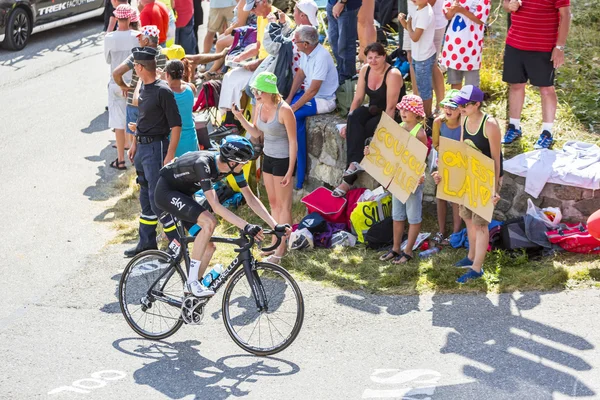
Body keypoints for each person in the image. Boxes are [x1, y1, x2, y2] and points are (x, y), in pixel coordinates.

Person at [155, 136, 290, 297]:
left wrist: (275, 225)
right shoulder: (203, 164)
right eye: (244, 162)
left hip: (185, 196)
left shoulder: (232, 168)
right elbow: (216, 206)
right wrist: (246, 226)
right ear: (233, 162)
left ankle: (190, 295)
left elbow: (251, 198)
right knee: (209, 222)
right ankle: (192, 283)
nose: (246, 165)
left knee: (209, 247)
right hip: (166, 193)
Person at [432, 85, 502, 283]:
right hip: (469, 178)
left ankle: (477, 268)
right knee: (468, 220)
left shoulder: (490, 124)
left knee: (481, 225)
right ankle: (470, 257)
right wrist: (445, 174)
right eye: (459, 103)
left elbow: (497, 159)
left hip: (486, 181)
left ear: (477, 104)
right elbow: (462, 152)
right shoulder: (464, 119)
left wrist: (495, 189)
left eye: (465, 104)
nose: (460, 107)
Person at [232, 72, 298, 263]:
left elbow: (294, 142)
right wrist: (239, 117)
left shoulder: (284, 110)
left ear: (270, 90)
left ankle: (281, 250)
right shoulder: (258, 105)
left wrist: (290, 169)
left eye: (259, 91)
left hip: (284, 160)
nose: (255, 94)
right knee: (273, 204)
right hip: (268, 157)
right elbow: (256, 134)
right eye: (254, 90)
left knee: (284, 206)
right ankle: (275, 241)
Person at [124, 46, 183, 258]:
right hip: (143, 148)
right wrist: (134, 144)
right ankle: (146, 243)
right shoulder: (145, 89)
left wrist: (170, 155)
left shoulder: (162, 91)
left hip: (157, 148)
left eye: (135, 66)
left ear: (139, 67)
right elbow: (142, 119)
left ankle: (177, 243)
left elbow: (176, 125)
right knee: (145, 196)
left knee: (158, 198)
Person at [333, 42, 404, 197]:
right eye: (370, 57)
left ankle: (347, 182)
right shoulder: (365, 70)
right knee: (354, 117)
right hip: (373, 109)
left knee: (367, 128)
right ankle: (354, 164)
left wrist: (385, 131)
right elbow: (357, 99)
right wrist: (348, 123)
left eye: (377, 57)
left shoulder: (393, 74)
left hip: (391, 114)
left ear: (384, 56)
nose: (373, 61)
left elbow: (391, 107)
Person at [501, 0, 571, 149]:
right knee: (516, 85)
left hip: (543, 46)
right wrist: (509, 6)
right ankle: (514, 127)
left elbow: (565, 15)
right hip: (515, 43)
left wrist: (559, 47)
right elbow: (505, 3)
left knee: (546, 89)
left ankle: (547, 132)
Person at [374, 95, 428, 264]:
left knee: (413, 216)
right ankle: (396, 248)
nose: (403, 112)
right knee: (397, 215)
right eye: (402, 109)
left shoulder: (419, 133)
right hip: (397, 178)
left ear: (416, 113)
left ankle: (408, 250)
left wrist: (419, 174)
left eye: (407, 110)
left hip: (411, 179)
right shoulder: (398, 127)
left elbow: (422, 158)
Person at [285, 25, 338, 189]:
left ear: (306, 44)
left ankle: (299, 173)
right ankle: (297, 171)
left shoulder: (321, 56)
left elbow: (313, 90)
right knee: (285, 111)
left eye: (296, 41)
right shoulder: (305, 53)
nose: (295, 43)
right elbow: (300, 74)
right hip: (310, 95)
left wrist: (293, 107)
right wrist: (288, 99)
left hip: (323, 99)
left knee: (292, 116)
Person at [113, 26, 169, 154]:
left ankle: (136, 165)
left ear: (146, 40)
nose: (138, 41)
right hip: (154, 103)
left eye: (140, 38)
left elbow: (116, 73)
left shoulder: (138, 55)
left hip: (134, 102)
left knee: (134, 140)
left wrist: (124, 86)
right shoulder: (162, 54)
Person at [104, 4, 139, 170]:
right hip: (134, 85)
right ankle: (135, 159)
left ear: (117, 18)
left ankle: (120, 159)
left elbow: (108, 60)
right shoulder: (137, 36)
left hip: (116, 84)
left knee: (118, 123)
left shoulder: (109, 38)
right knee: (133, 121)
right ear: (130, 18)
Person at [431, 89, 463, 244]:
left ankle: (456, 232)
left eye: (453, 107)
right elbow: (435, 144)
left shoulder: (464, 123)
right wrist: (445, 155)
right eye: (446, 107)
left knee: (456, 199)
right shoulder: (438, 122)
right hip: (443, 162)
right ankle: (441, 230)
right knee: (441, 197)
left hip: (459, 164)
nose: (449, 110)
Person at [441, 0, 490, 90]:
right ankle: (456, 103)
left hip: (472, 47)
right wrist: (453, 9)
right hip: (454, 44)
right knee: (455, 83)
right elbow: (447, 16)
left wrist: (462, 10)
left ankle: (471, 104)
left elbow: (480, 20)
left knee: (471, 86)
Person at [399, 0, 436, 118]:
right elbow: (410, 28)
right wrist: (403, 22)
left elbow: (414, 37)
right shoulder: (417, 8)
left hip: (424, 57)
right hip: (417, 55)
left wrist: (408, 26)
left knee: (424, 91)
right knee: (421, 88)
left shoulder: (425, 13)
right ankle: (422, 115)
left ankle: (427, 117)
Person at [165, 59, 199, 157]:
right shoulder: (190, 88)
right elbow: (182, 83)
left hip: (174, 142)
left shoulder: (166, 93)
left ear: (167, 75)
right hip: (191, 138)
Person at [327, 0, 361, 84]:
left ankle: (347, 78)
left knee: (345, 44)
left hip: (346, 6)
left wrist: (341, 2)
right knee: (333, 41)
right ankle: (340, 73)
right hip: (332, 4)